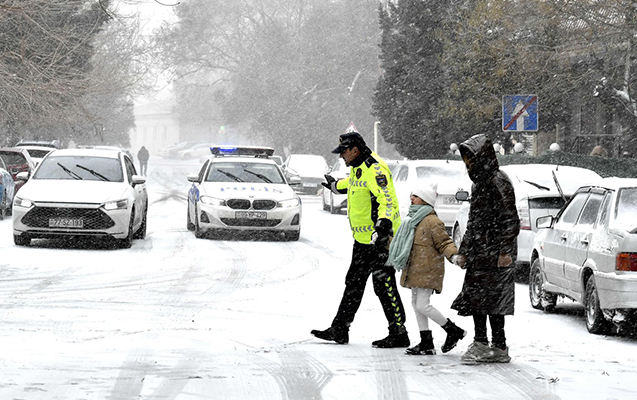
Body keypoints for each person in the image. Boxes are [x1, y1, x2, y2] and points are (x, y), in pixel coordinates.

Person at [311, 130, 409, 348]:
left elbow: (388, 200)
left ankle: (399, 331)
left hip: (379, 240)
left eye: (343, 152)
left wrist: (383, 228)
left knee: (383, 284)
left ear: (355, 150)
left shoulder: (375, 168)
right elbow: (354, 185)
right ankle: (340, 329)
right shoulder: (357, 168)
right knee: (353, 284)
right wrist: (335, 186)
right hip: (363, 241)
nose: (341, 156)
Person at [451, 134, 520, 364]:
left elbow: (510, 219)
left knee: (493, 301)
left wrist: (504, 252)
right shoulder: (479, 183)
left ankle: (495, 346)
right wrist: (464, 250)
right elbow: (473, 220)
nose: (467, 163)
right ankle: (484, 343)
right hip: (480, 252)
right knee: (477, 299)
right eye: (465, 158)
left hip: (494, 252)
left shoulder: (497, 181)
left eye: (470, 157)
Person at [387, 183, 467, 355]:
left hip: (428, 270)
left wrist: (454, 256)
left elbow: (444, 242)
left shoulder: (432, 221)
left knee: (423, 305)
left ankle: (453, 330)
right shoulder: (410, 220)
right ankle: (426, 343)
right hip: (414, 269)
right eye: (412, 195)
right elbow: (402, 243)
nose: (411, 198)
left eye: (415, 196)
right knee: (416, 305)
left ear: (425, 200)